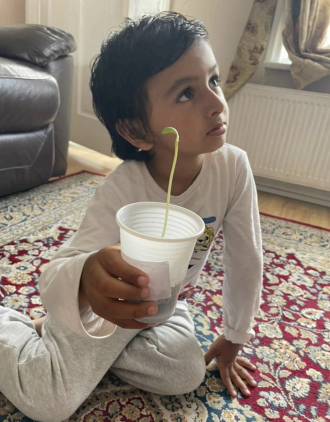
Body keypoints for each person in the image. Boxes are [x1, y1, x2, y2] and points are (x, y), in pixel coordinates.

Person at [0, 11, 263, 422]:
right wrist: (87, 279)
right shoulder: (123, 189)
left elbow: (246, 259)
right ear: (139, 132)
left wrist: (234, 338)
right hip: (103, 309)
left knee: (186, 373)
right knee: (48, 401)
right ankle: (12, 324)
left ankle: (77, 351)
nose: (216, 104)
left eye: (213, 80)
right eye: (185, 94)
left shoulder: (233, 168)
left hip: (162, 307)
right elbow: (53, 277)